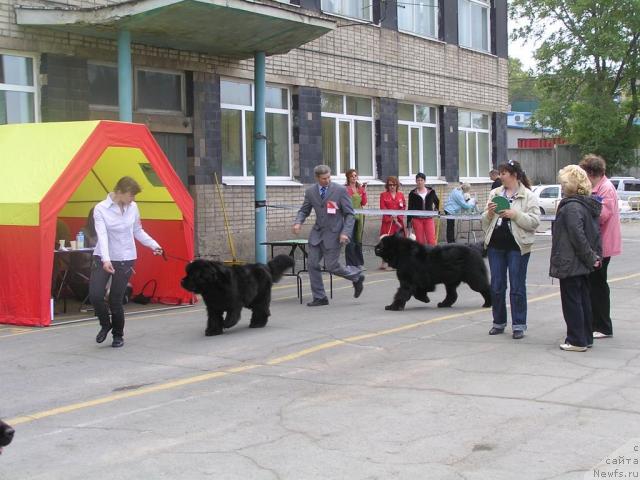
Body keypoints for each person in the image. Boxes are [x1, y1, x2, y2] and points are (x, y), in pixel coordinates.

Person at [91, 176, 163, 348]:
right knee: (95, 295)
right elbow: (102, 235)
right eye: (131, 195)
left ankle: (118, 335)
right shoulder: (100, 209)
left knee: (116, 299)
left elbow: (138, 230)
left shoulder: (133, 207)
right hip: (103, 256)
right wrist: (106, 260)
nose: (133, 199)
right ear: (120, 192)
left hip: (126, 258)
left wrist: (154, 245)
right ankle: (105, 324)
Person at [482, 160, 540, 339]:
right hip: (495, 246)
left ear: (514, 175)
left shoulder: (528, 195)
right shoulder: (495, 193)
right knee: (497, 286)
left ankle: (519, 324)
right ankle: (498, 322)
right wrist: (490, 213)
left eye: (504, 173)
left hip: (518, 247)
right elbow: (484, 221)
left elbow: (534, 222)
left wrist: (515, 214)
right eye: (500, 173)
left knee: (517, 286)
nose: (501, 176)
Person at [293, 165, 365, 307]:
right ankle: (320, 297)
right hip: (317, 234)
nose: (327, 181)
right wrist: (298, 222)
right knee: (312, 264)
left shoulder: (340, 190)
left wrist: (345, 232)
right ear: (317, 178)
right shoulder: (310, 192)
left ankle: (356, 277)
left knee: (332, 266)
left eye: (328, 177)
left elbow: (350, 214)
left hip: (335, 234)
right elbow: (304, 210)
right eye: (324, 179)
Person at [550, 165, 602, 352]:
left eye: (563, 183)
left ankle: (577, 340)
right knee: (583, 300)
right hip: (580, 263)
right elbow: (593, 235)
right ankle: (585, 337)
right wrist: (593, 258)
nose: (562, 187)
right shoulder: (585, 204)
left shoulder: (571, 207)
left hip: (571, 262)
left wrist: (590, 257)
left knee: (572, 301)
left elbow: (577, 237)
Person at [579, 154, 621, 339]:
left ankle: (603, 326)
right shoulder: (597, 187)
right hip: (596, 244)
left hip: (602, 245)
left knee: (598, 285)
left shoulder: (605, 189)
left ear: (592, 173)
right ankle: (594, 322)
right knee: (593, 284)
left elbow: (602, 216)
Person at [379, 176, 406, 270]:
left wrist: (397, 217)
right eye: (390, 185)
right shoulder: (383, 195)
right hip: (387, 222)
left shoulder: (401, 195)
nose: (392, 186)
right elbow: (383, 207)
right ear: (387, 186)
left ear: (397, 185)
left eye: (394, 184)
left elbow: (403, 207)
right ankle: (384, 262)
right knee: (386, 242)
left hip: (398, 222)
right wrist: (391, 216)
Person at [344, 169, 368, 269]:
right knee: (350, 240)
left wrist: (365, 192)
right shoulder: (345, 189)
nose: (354, 177)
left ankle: (359, 263)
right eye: (352, 176)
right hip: (349, 216)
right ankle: (350, 264)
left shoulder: (360, 189)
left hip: (360, 216)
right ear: (348, 178)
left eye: (355, 176)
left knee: (358, 239)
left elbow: (364, 203)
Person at [407, 173, 439, 245]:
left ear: (425, 181)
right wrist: (409, 224)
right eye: (418, 180)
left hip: (429, 219)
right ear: (416, 181)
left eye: (421, 180)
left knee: (431, 240)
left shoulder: (431, 192)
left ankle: (433, 255)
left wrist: (436, 210)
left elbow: (438, 202)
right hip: (417, 220)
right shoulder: (412, 194)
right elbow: (410, 208)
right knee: (420, 241)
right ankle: (421, 256)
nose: (420, 182)